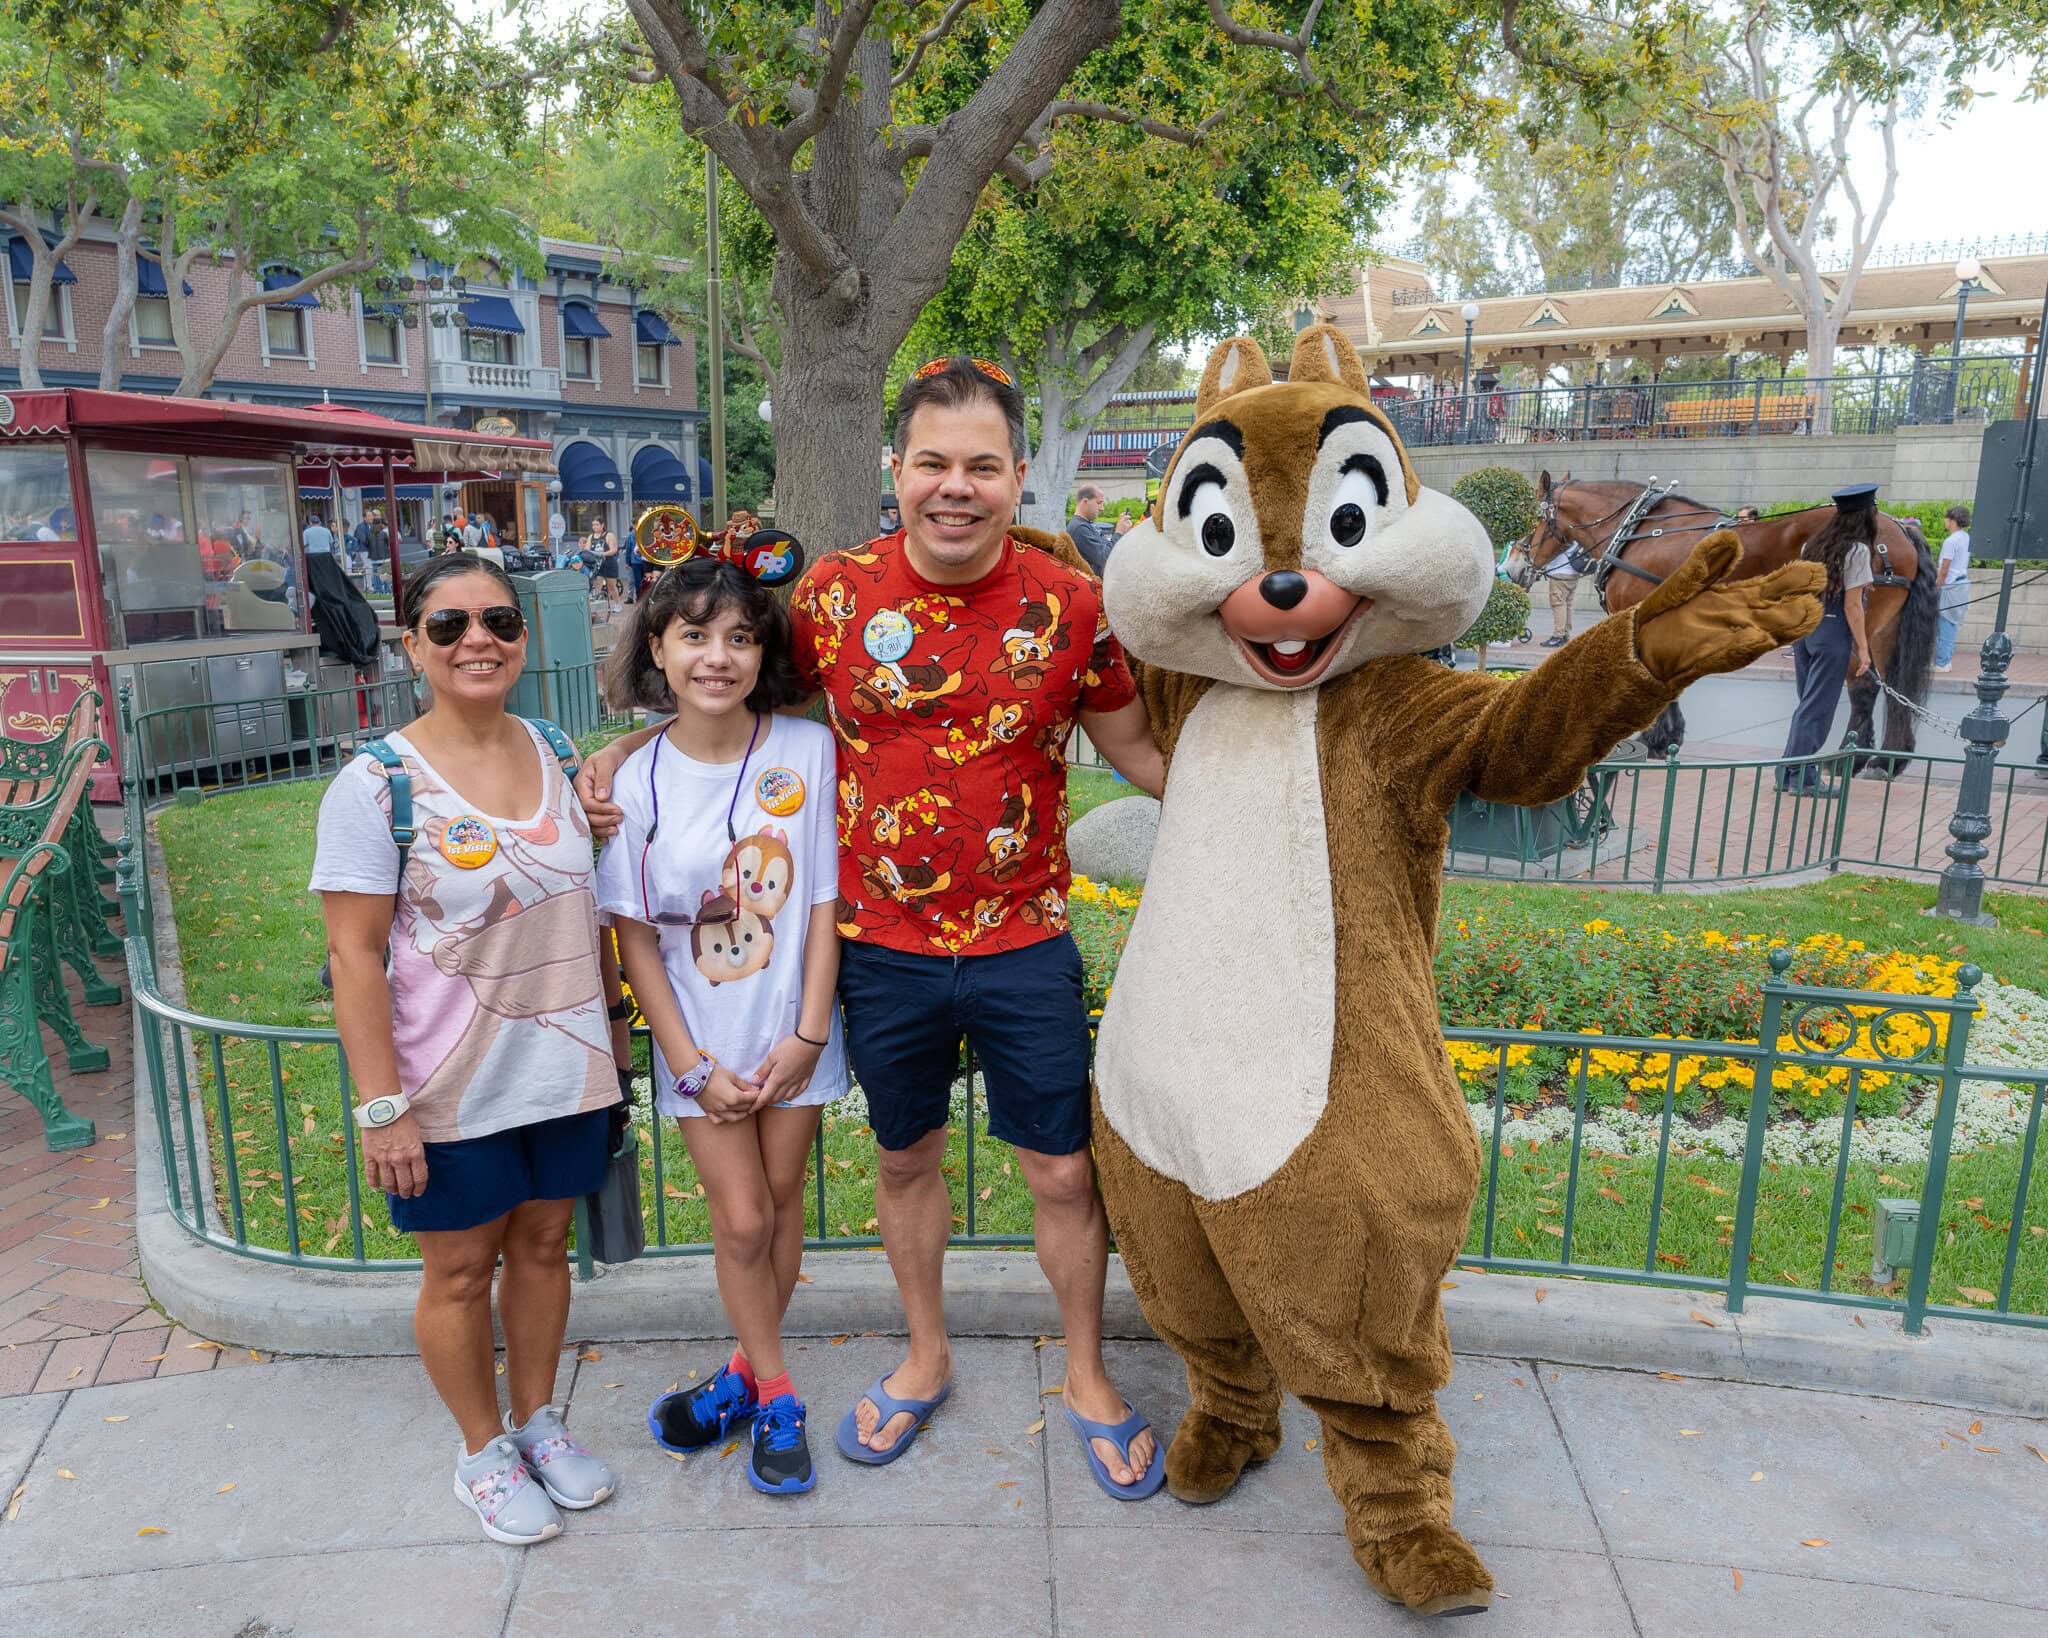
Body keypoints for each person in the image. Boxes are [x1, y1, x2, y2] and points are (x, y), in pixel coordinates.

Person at [577, 355, 1169, 1496]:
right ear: (894, 470)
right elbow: (729, 702)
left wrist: (1246, 807)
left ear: (1015, 476)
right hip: (881, 950)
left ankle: (1087, 1373)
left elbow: (1138, 751)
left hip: (1023, 943)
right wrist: (618, 753)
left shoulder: (1073, 605)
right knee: (905, 1162)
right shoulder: (834, 600)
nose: (956, 487)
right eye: (933, 463)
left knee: (1059, 1176)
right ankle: (923, 1354)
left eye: (982, 466)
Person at [310, 552, 620, 1546]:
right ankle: (481, 1449)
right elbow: (353, 958)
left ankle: (537, 1423)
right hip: (446, 1086)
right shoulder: (376, 785)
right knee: (456, 1275)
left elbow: (589, 900)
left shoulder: (556, 747)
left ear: (522, 638)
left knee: (541, 1248)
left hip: (564, 1068)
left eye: (496, 620)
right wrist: (381, 1106)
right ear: (412, 647)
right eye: (447, 626)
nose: (475, 639)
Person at [593, 557, 845, 1495]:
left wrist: (811, 1035)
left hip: (794, 1034)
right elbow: (636, 940)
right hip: (697, 1044)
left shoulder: (808, 750)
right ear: (656, 647)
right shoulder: (630, 784)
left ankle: (741, 1375)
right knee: (740, 1221)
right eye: (695, 635)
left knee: (778, 1212)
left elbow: (818, 901)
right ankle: (780, 1396)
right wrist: (690, 1066)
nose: (718, 657)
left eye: (740, 636)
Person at [1778, 483, 1876, 795]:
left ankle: (1787, 774)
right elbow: (1852, 605)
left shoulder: (1814, 544)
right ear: (1866, 516)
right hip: (1833, 632)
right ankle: (1803, 780)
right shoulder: (1858, 550)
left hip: (1805, 629)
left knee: (1807, 705)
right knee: (1817, 710)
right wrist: (1863, 648)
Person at [1934, 504, 1971, 673]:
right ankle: (1945, 660)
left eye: (1947, 518)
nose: (1945, 521)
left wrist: (1936, 586)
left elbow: (1945, 568)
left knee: (1945, 624)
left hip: (1950, 585)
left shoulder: (1951, 541)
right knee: (1950, 624)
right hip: (1962, 584)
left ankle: (1942, 663)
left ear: (1952, 521)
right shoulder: (1965, 537)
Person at [1065, 482, 1117, 576]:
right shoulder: (1079, 529)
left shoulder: (1086, 524)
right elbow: (1106, 558)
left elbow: (1106, 547)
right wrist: (1119, 533)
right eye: (1099, 503)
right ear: (1085, 502)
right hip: (1091, 587)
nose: (1102, 508)